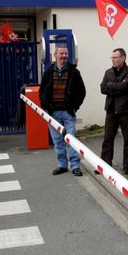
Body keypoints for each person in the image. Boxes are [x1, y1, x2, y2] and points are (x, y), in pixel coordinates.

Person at [39, 45, 86, 177]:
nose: (64, 56)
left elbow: (82, 91)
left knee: (71, 140)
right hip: (53, 113)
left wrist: (74, 106)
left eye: (66, 53)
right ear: (55, 56)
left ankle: (75, 166)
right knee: (57, 141)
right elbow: (42, 91)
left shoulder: (74, 72)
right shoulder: (48, 72)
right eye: (61, 53)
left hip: (68, 112)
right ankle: (62, 165)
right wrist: (45, 106)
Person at [99, 48, 128, 175]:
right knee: (107, 139)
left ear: (123, 58)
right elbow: (103, 88)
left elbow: (126, 86)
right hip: (110, 110)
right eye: (112, 57)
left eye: (115, 57)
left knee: (127, 139)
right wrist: (116, 87)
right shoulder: (108, 72)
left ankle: (127, 166)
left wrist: (111, 85)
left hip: (125, 110)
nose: (113, 60)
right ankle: (104, 165)